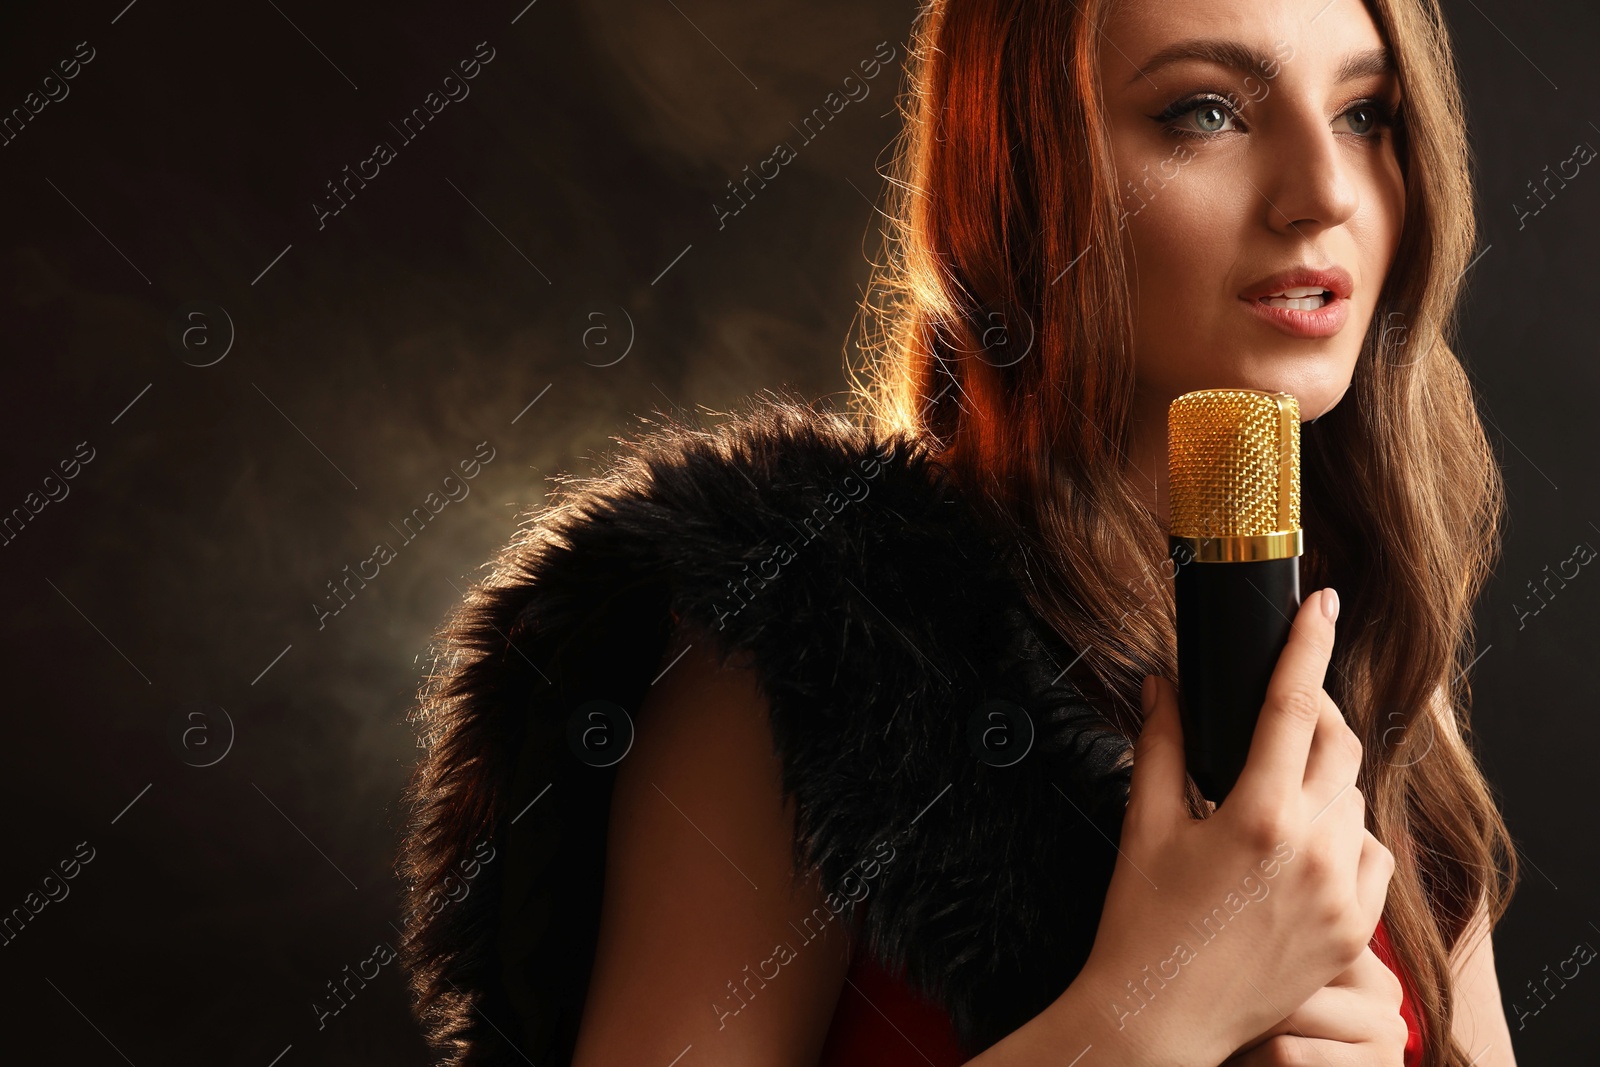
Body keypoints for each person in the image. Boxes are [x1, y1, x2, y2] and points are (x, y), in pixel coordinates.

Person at [395, 0, 1520, 1064]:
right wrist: (1149, 1016)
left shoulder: (1373, 680)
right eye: (1205, 112)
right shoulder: (815, 648)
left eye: (1364, 112)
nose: (1322, 192)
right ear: (1020, 175)